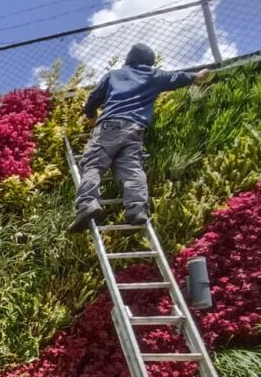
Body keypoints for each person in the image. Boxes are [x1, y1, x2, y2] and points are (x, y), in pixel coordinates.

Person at [68, 42, 213, 233]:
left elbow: (94, 98)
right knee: (131, 169)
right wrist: (197, 76)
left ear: (129, 59)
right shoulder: (154, 76)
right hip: (135, 130)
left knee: (93, 164)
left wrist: (91, 114)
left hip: (110, 126)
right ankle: (137, 210)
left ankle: (88, 204)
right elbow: (177, 77)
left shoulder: (114, 75)